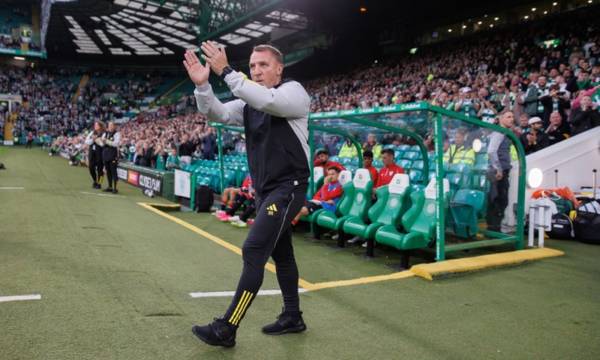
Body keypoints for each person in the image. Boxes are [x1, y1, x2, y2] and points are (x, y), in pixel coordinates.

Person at [185, 42, 311, 347]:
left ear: (279, 69)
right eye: (253, 66)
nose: (256, 70)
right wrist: (203, 86)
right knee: (282, 253)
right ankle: (293, 316)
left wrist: (227, 71)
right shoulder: (248, 103)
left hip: (289, 187)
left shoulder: (293, 93)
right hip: (266, 190)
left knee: (254, 250)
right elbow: (216, 113)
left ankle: (227, 327)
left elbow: (269, 101)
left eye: (263, 65)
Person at [486, 111, 515, 232]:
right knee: (497, 200)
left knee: (499, 200)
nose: (512, 119)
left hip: (501, 171)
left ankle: (494, 228)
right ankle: (493, 229)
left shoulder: (505, 133)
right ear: (501, 119)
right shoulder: (499, 132)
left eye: (512, 117)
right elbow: (491, 151)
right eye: (508, 117)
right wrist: (498, 168)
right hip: (498, 172)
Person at [101, 122, 121, 194]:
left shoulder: (117, 134)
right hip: (105, 154)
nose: (110, 127)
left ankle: (115, 188)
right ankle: (110, 186)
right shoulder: (105, 133)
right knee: (108, 171)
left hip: (113, 155)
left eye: (112, 125)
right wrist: (103, 142)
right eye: (109, 125)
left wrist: (106, 141)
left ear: (114, 126)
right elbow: (101, 143)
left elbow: (116, 144)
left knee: (113, 172)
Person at [84, 121, 105, 189]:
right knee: (91, 167)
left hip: (100, 152)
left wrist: (95, 139)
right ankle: (95, 181)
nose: (95, 126)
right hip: (92, 152)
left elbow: (102, 144)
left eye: (96, 125)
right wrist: (93, 139)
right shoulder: (92, 132)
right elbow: (87, 141)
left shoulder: (104, 133)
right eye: (95, 125)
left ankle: (100, 183)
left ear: (100, 126)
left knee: (100, 170)